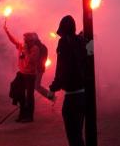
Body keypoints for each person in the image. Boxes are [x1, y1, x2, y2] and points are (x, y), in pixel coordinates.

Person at [49, 15, 87, 146]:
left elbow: (62, 67)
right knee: (78, 133)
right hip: (84, 93)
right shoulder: (81, 40)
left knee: (73, 136)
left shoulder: (64, 43)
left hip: (72, 96)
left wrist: (54, 86)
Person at [3, 21, 40, 122]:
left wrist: (26, 51)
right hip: (22, 73)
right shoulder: (22, 46)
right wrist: (7, 31)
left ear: (31, 41)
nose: (24, 41)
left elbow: (30, 61)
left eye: (26, 40)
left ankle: (29, 116)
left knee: (29, 96)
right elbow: (13, 41)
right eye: (24, 40)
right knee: (18, 91)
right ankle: (22, 113)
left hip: (30, 75)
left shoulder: (35, 49)